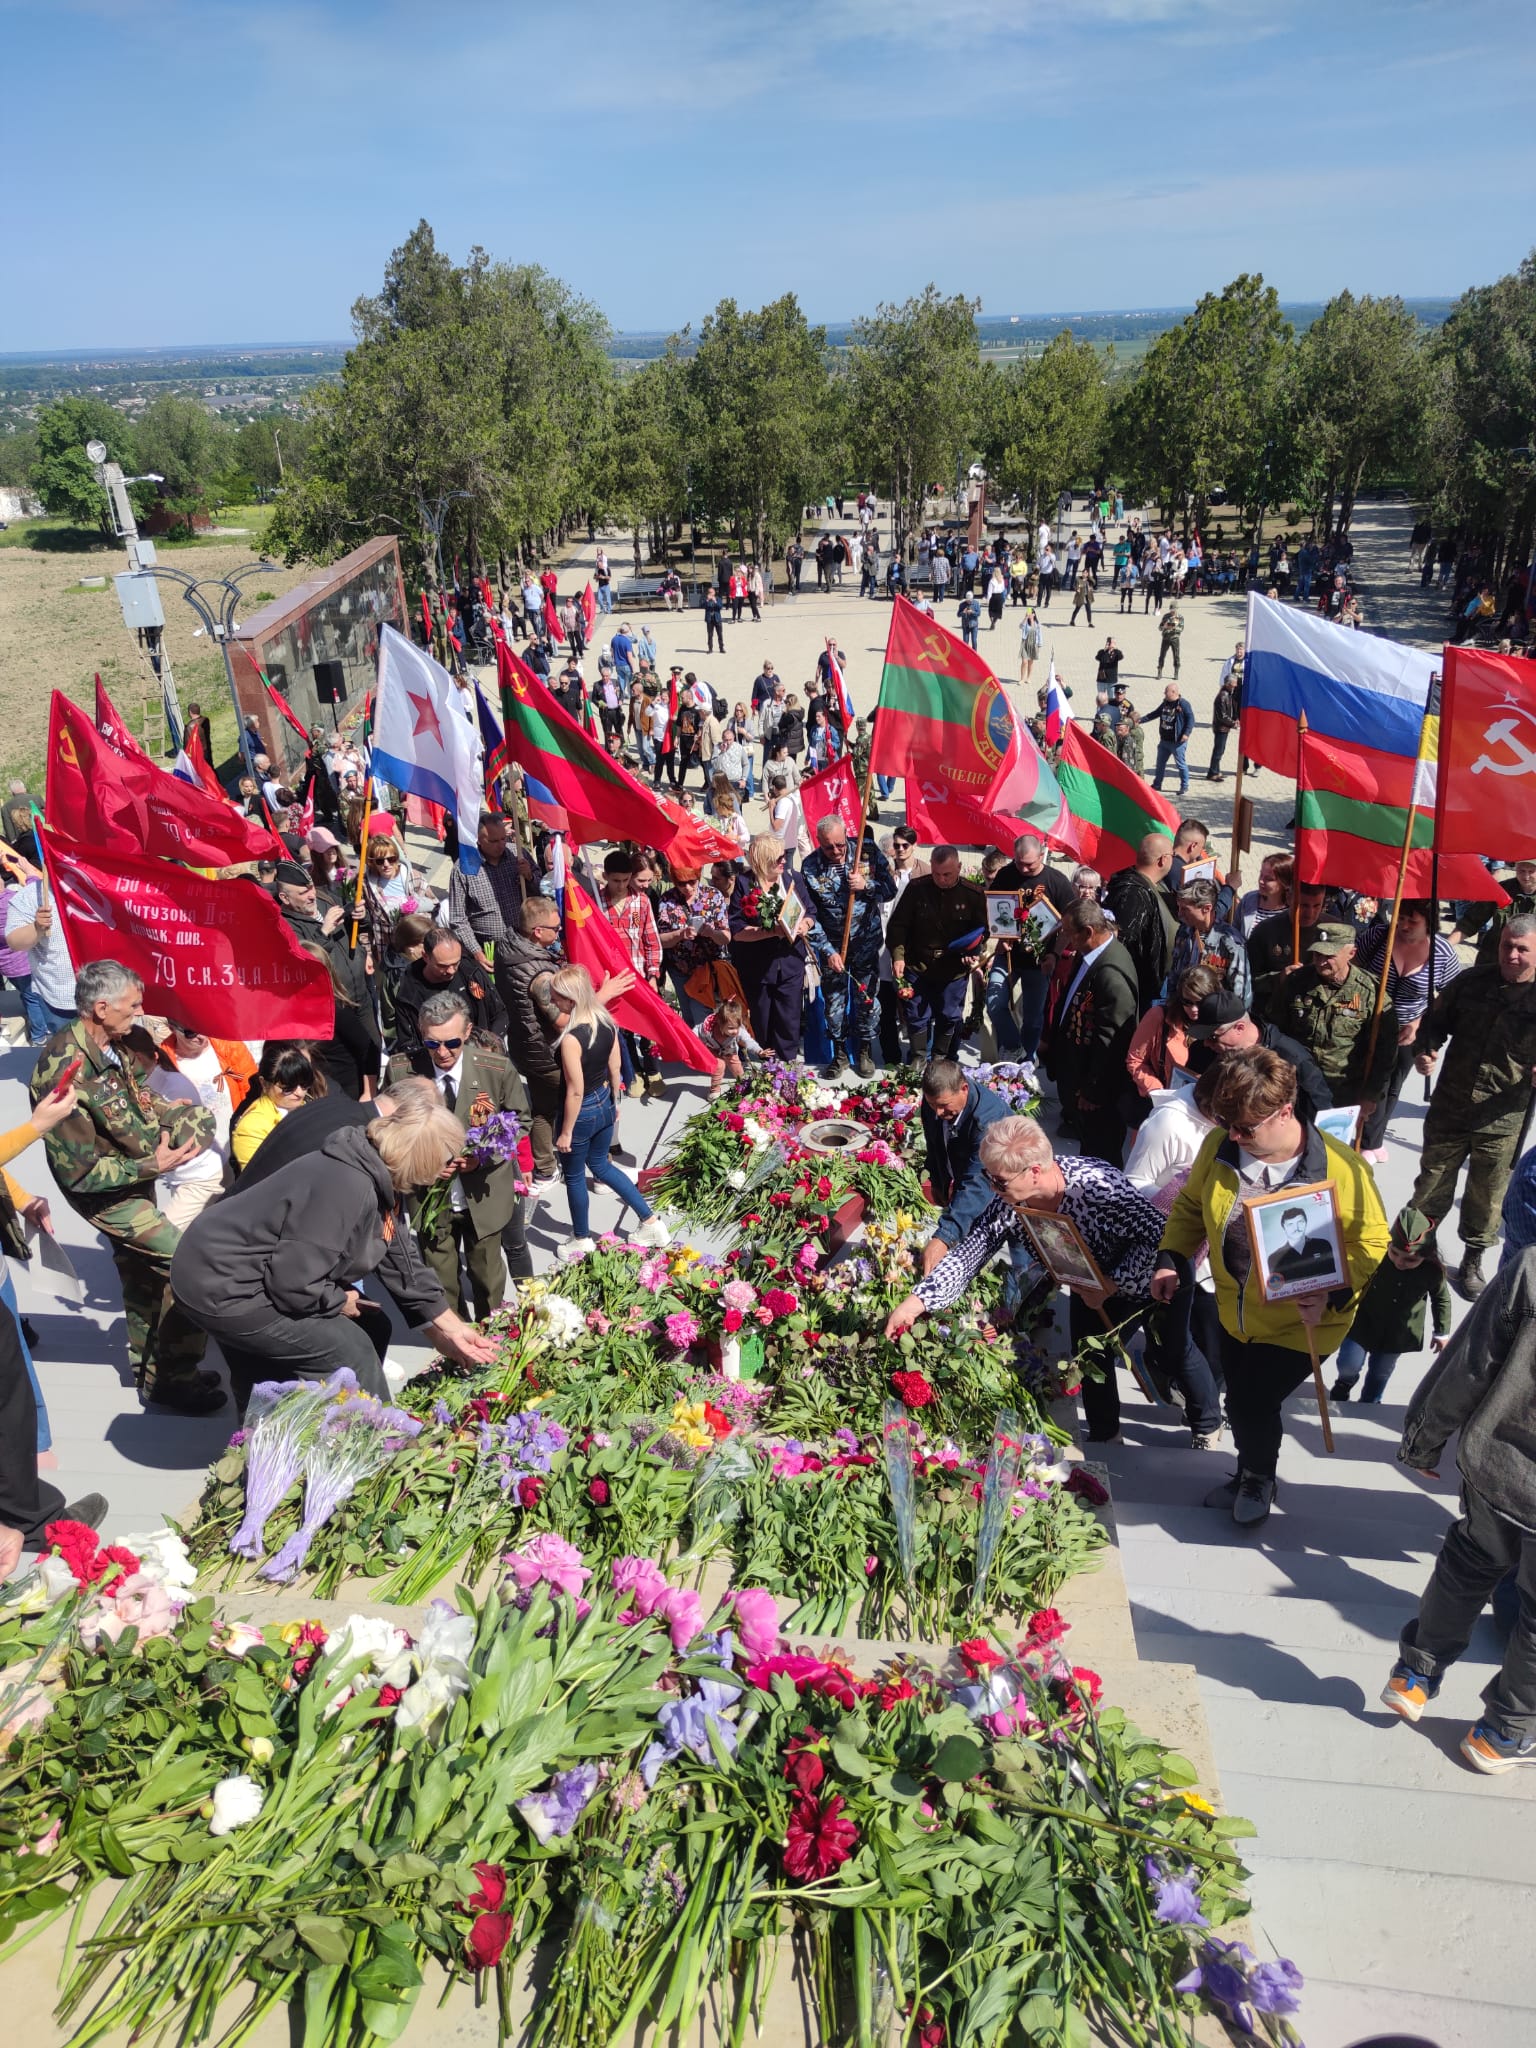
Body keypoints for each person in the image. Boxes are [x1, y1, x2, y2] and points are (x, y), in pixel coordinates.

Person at [1152, 1048, 1388, 1528]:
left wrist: (1332, 1292)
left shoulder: (1343, 1169)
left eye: (1245, 1128)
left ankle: (1259, 1478)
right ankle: (1246, 1472)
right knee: (1241, 1395)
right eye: (1228, 1124)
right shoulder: (1220, 1145)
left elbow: (1372, 1241)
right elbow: (1191, 1209)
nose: (1233, 1135)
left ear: (1284, 1112)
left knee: (1250, 1401)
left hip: (1304, 1324)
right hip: (1234, 1313)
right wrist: (1171, 1258)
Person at [172, 1089, 499, 1412]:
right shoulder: (348, 1184)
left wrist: (450, 1330)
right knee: (352, 1351)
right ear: (423, 1157)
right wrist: (340, 1300)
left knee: (372, 1326)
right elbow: (293, 1284)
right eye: (446, 1159)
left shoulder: (372, 1162)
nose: (449, 1168)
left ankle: (299, 1434)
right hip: (223, 1284)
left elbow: (402, 1261)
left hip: (253, 1270)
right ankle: (377, 1446)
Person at [885, 1116, 1166, 1447]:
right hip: (1083, 1279)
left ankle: (1202, 1416)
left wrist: (1113, 1284)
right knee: (1089, 1355)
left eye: (1000, 1182)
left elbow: (1161, 1236)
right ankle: (1107, 1436)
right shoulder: (1012, 1201)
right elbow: (972, 1251)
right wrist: (915, 1303)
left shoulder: (1099, 1190)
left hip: (1140, 1285)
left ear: (1034, 1171)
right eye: (988, 1178)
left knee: (1174, 1351)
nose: (993, 1188)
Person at [30, 960, 221, 1414]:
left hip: (138, 1173)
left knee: (141, 1277)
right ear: (101, 1008)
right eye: (132, 1007)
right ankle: (176, 1377)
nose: (140, 1014)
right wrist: (149, 1164)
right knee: (188, 1266)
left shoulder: (115, 1044)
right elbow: (79, 1173)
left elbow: (136, 1100)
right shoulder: (62, 1070)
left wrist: (179, 1117)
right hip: (109, 1193)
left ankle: (153, 1371)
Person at [1384, 1241, 1536, 1771]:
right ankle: (1505, 1732)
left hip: (1498, 1469)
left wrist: (1423, 1439)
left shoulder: (1532, 1267)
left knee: (1468, 1566)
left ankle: (1415, 1674)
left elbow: (1471, 1363)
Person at [1411, 915, 1536, 1300]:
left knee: (1487, 1196)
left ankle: (1471, 1260)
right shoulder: (1471, 982)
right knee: (1431, 1183)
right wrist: (1425, 1050)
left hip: (1502, 1118)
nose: (1511, 955)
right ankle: (1418, 1250)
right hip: (1451, 1105)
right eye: (1506, 946)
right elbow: (1435, 1021)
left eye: (1522, 949)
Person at [387, 988, 532, 1317]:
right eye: (432, 1043)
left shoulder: (494, 1069)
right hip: (430, 1197)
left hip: (483, 1195)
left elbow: (520, 1120)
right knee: (440, 1282)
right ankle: (457, 1348)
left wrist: (483, 1157)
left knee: (488, 1279)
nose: (442, 1052)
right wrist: (419, 1165)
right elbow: (390, 1130)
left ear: (467, 1033)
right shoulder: (401, 1071)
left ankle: (492, 1341)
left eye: (452, 1043)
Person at [1123, 1061, 1228, 1449]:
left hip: (1219, 1260)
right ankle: (1201, 1412)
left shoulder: (1229, 1127)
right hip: (1176, 1252)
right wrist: (1180, 1199)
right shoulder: (1167, 1124)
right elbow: (1134, 1184)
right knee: (1178, 1342)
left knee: (1214, 1346)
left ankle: (1205, 1407)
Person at [548, 965, 669, 1261]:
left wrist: (565, 1131)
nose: (553, 1002)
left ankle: (581, 1238)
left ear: (570, 1000)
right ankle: (650, 1221)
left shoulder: (571, 1039)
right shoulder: (606, 1022)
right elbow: (615, 1068)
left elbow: (574, 1090)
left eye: (556, 998)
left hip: (581, 1110)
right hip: (604, 1100)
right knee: (602, 1166)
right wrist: (614, 1104)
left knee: (575, 1176)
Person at [1355, 902, 1462, 1151]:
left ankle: (1371, 1143)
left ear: (1429, 922)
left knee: (1391, 1085)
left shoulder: (1442, 953)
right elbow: (1352, 967)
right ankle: (1358, 1136)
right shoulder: (1378, 936)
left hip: (1406, 1031)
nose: (1403, 925)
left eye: (1412, 921)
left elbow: (1451, 997)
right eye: (1399, 917)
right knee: (1360, 1081)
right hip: (1364, 1024)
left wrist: (1419, 1022)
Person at [1042, 900, 1139, 1164]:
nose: (1063, 938)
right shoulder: (1089, 955)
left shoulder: (1110, 974)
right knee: (1089, 1148)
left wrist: (1093, 1091)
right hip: (1076, 1076)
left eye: (1067, 932)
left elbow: (1113, 1041)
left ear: (1087, 932)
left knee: (1100, 1156)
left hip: (1096, 1094)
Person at [801, 815, 896, 1078]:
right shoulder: (810, 867)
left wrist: (867, 885)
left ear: (846, 836)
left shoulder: (865, 852)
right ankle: (840, 1054)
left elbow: (890, 890)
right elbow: (809, 915)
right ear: (818, 842)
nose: (836, 851)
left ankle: (865, 1051)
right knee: (834, 1004)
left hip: (865, 942)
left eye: (840, 844)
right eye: (829, 846)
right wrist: (827, 951)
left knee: (867, 999)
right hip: (834, 948)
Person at [1329, 1203, 1450, 1404]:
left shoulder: (1432, 1273)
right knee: (1348, 1364)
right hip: (1364, 1322)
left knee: (1381, 1372)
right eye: (1394, 1253)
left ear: (1426, 1256)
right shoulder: (1376, 1258)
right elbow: (1354, 1278)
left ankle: (1370, 1402)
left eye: (1411, 1259)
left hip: (1398, 1332)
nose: (1400, 1262)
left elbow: (1441, 1299)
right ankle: (1344, 1384)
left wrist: (1441, 1332)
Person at [885, 846, 988, 1062]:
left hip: (953, 968)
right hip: (918, 964)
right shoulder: (916, 889)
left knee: (949, 1015)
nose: (941, 879)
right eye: (936, 874)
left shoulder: (973, 895)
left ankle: (940, 1059)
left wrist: (974, 951)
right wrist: (898, 955)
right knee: (915, 1015)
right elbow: (898, 926)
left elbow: (982, 931)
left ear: (959, 867)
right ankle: (918, 1057)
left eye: (947, 874)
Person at [145, 1021, 251, 1229]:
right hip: (194, 1161)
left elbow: (250, 1087)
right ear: (173, 1027)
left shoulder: (227, 1046)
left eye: (204, 1028)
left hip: (232, 1147)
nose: (201, 1037)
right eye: (191, 1031)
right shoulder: (165, 1059)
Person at [917, 1057, 1012, 1276]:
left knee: (1014, 1264)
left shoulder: (988, 1121)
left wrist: (945, 1236)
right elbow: (935, 1143)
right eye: (932, 1105)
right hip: (973, 1176)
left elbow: (978, 1182)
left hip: (1008, 1190)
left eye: (943, 1105)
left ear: (964, 1089)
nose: (937, 1113)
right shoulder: (936, 1102)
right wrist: (939, 1180)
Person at [1181, 987, 1334, 1120]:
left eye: (1213, 1037)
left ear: (1239, 1028)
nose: (1207, 1043)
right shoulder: (1205, 1050)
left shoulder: (1292, 1059)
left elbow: (1321, 1114)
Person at [985, 837, 1077, 1059]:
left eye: (1030, 864)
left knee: (1033, 1019)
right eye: (1019, 863)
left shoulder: (1058, 882)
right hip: (1007, 955)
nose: (1024, 869)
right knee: (994, 1004)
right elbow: (994, 908)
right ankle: (1014, 1046)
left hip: (1040, 961)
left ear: (1041, 856)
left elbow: (1069, 926)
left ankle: (1024, 1065)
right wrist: (1000, 936)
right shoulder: (1006, 875)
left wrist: (1055, 954)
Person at [727, 835, 813, 1056]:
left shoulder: (793, 878)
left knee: (789, 1020)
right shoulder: (745, 884)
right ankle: (769, 1069)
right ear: (764, 859)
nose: (784, 861)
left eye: (784, 855)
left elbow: (810, 910)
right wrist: (772, 932)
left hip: (790, 962)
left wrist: (805, 923)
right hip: (758, 967)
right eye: (778, 858)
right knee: (762, 1019)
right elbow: (737, 931)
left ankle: (788, 1071)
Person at [392, 928, 508, 1058]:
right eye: (442, 966)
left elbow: (500, 1012)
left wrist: (491, 1043)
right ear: (425, 956)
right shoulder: (409, 993)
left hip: (483, 1057)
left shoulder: (470, 971)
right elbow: (409, 1044)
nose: (451, 971)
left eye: (455, 963)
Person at [1103, 834, 1177, 1014]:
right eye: (1172, 856)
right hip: (1139, 990)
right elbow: (1125, 944)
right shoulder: (1134, 895)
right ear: (1163, 860)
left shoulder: (1151, 886)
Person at [446, 814, 529, 971]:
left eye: (503, 839)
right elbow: (458, 919)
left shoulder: (517, 855)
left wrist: (530, 877)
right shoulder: (464, 868)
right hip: (488, 951)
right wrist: (476, 952)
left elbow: (539, 892)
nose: (500, 845)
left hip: (522, 943)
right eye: (493, 841)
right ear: (478, 839)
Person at [5, 870, 75, 1043]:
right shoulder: (29, 896)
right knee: (69, 1054)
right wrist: (37, 927)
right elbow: (14, 941)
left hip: (110, 995)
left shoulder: (104, 887)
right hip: (60, 999)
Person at [1448, 859, 1536, 964]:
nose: (1526, 877)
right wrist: (1446, 946)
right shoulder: (1502, 890)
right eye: (1522, 871)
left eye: (1531, 871)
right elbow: (1471, 922)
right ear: (1515, 869)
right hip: (1494, 957)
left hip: (1529, 963)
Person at [698, 997, 764, 1096]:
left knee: (737, 1068)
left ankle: (743, 1086)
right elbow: (694, 1034)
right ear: (720, 1023)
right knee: (719, 1065)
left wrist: (759, 1051)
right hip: (712, 1049)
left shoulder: (739, 1031)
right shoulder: (707, 1028)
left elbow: (748, 1041)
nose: (735, 1031)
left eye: (737, 1027)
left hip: (729, 1050)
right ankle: (714, 1090)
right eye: (731, 1028)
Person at [1142, 682, 1194, 795]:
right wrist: (1140, 720)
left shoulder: (1183, 704)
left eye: (1166, 691)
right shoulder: (1165, 703)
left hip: (1177, 742)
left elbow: (1191, 719)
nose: (1164, 693)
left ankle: (1184, 786)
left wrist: (1186, 733)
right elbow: (1155, 713)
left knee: (1180, 764)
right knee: (1160, 763)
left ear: (1174, 692)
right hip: (1164, 741)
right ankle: (1157, 784)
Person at [1207, 643, 1242, 781]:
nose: (1235, 687)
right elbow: (1222, 715)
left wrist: (1236, 718)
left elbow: (1231, 709)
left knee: (1220, 750)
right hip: (1221, 728)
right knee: (1218, 750)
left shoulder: (1228, 694)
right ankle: (1212, 772)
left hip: (1224, 727)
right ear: (1228, 684)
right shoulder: (1223, 696)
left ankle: (1216, 770)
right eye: (1233, 685)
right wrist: (1233, 723)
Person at [703, 584, 725, 655]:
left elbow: (720, 607)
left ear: (714, 592)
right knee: (710, 635)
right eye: (709, 592)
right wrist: (707, 600)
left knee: (720, 634)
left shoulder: (718, 599)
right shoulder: (706, 599)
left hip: (717, 619)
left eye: (712, 592)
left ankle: (721, 648)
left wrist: (715, 601)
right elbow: (702, 605)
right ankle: (710, 649)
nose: (711, 594)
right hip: (709, 619)